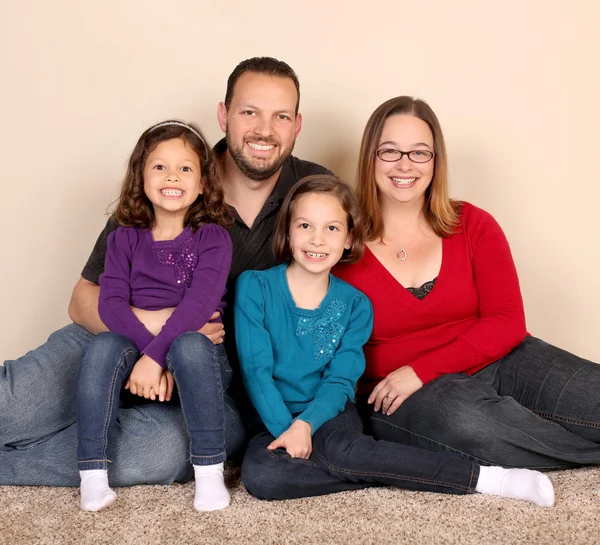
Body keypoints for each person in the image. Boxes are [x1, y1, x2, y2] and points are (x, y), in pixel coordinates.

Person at [0, 57, 329, 487]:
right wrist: (156, 331)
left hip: (215, 378)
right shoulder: (171, 173)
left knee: (156, 453)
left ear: (297, 124)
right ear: (223, 114)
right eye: (249, 112)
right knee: (14, 407)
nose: (264, 130)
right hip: (111, 337)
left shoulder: (314, 193)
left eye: (280, 116)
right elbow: (82, 299)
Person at [236, 174, 554, 507]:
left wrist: (307, 423)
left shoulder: (355, 304)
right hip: (270, 417)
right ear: (287, 230)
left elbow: (341, 380)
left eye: (331, 228)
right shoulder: (255, 287)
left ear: (348, 239)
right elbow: (256, 371)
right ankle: (384, 469)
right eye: (305, 226)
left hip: (330, 413)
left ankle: (487, 478)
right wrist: (289, 429)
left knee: (340, 449)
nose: (317, 240)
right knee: (263, 476)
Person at [334, 96, 600, 471]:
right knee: (470, 425)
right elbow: (333, 346)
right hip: (406, 395)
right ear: (370, 159)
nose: (404, 165)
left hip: (499, 361)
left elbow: (508, 321)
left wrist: (425, 367)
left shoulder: (473, 224)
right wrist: (415, 376)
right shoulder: (338, 243)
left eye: (419, 153)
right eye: (389, 151)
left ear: (436, 161)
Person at [76, 119, 234, 512]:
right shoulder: (123, 238)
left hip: (201, 359)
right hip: (138, 350)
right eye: (159, 166)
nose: (172, 176)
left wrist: (155, 357)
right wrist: (150, 357)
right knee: (102, 347)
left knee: (191, 343)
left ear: (202, 184)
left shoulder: (213, 237)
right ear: (141, 178)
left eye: (185, 168)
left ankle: (210, 471)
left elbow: (199, 307)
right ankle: (93, 475)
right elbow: (110, 305)